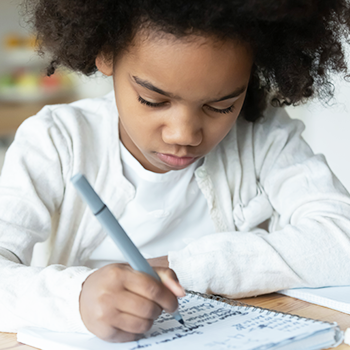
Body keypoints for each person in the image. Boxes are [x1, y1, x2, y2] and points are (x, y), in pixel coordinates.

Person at [1, 0, 350, 343]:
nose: (184, 134)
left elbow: (341, 239)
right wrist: (77, 298)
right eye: (154, 101)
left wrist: (184, 267)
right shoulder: (57, 142)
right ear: (107, 53)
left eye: (221, 106)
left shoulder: (263, 134)